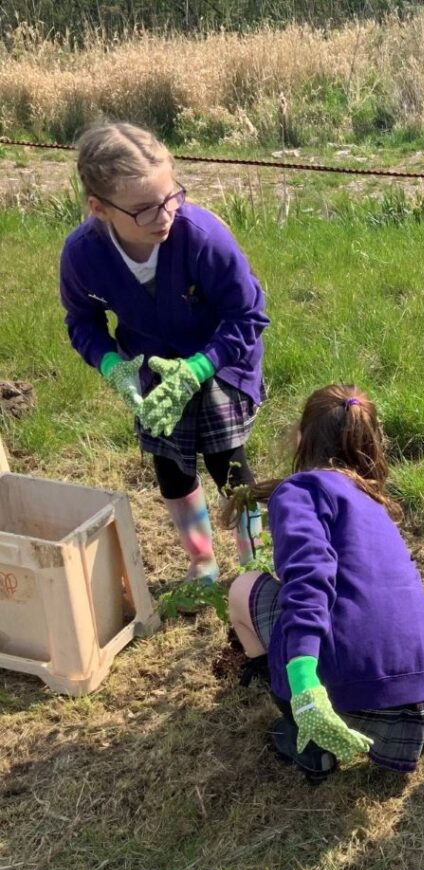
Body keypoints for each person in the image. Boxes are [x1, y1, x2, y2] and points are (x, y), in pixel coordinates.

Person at [59, 121, 269, 584]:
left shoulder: (202, 237)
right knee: (171, 467)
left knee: (229, 463)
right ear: (99, 208)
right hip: (150, 366)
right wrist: (112, 364)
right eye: (144, 209)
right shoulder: (82, 256)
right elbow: (82, 321)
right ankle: (201, 560)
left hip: (219, 363)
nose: (164, 215)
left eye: (171, 195)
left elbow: (248, 314)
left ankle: (255, 561)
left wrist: (200, 366)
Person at [226, 384, 424, 781]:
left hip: (352, 672)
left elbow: (310, 578)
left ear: (302, 437)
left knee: (244, 589)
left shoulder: (300, 490)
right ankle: (412, 721)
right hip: (421, 667)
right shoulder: (372, 497)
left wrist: (303, 680)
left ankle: (308, 733)